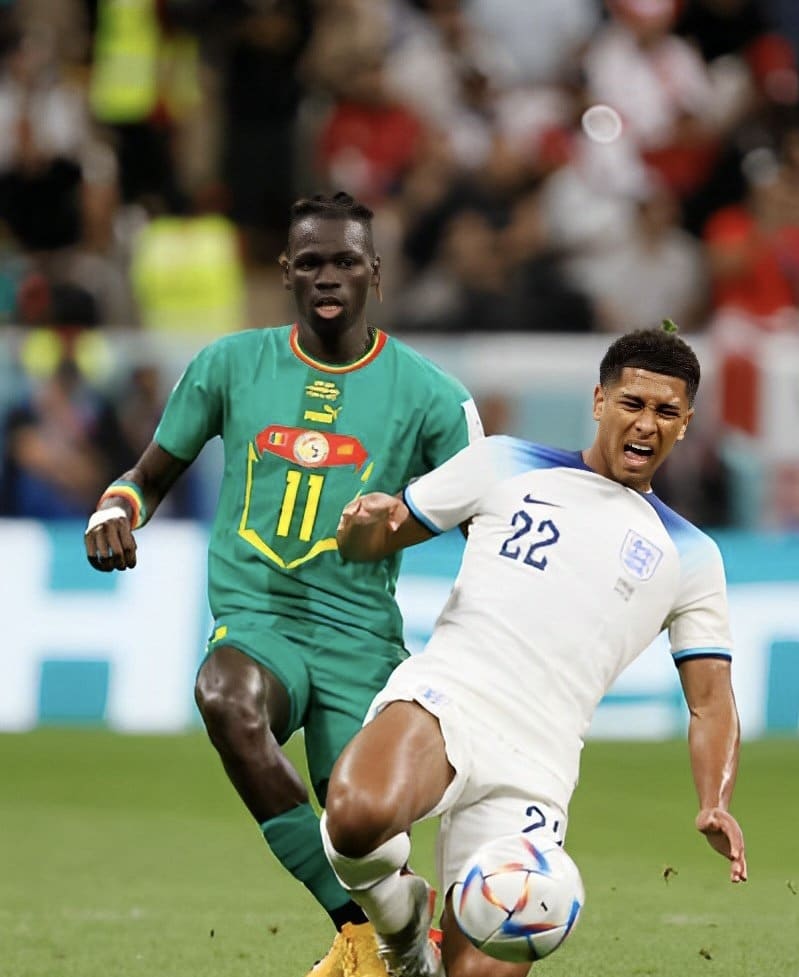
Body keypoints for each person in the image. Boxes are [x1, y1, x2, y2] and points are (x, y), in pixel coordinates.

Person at [83, 191, 484, 977]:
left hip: (361, 636)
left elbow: (487, 521)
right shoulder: (229, 364)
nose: (327, 276)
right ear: (285, 273)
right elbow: (148, 477)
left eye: (344, 261)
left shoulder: (432, 395)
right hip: (258, 618)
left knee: (360, 834)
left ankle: (398, 940)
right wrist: (114, 509)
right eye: (310, 263)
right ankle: (356, 928)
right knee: (224, 696)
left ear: (375, 272)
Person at [321, 324, 747, 977]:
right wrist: (359, 530)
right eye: (632, 403)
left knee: (482, 969)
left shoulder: (691, 555)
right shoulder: (502, 462)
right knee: (356, 818)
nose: (646, 424)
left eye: (666, 412)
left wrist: (714, 798)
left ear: (685, 423)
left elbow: (711, 702)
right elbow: (378, 538)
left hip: (539, 762)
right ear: (599, 400)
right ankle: (403, 933)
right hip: (449, 697)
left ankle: (431, 951)